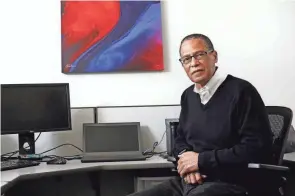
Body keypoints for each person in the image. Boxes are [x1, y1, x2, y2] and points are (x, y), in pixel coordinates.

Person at [128, 33, 273, 196]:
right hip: (191, 180)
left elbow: (256, 148)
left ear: (214, 56)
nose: (193, 63)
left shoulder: (242, 92)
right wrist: (186, 163)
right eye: (186, 59)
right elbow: (180, 139)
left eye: (199, 55)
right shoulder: (188, 96)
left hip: (231, 182)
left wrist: (200, 161)